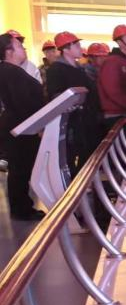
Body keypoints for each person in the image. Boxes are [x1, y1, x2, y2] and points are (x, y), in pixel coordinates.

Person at [0, 32, 46, 219]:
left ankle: (22, 206)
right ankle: (21, 209)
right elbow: (22, 103)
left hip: (23, 125)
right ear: (8, 51)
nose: (23, 49)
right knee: (20, 168)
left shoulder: (13, 71)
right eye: (19, 46)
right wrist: (39, 124)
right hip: (22, 127)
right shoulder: (10, 72)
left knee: (22, 167)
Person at [45, 31, 103, 171]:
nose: (80, 48)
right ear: (65, 49)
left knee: (88, 154)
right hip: (71, 122)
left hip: (86, 120)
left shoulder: (79, 68)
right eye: (76, 45)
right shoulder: (56, 69)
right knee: (70, 156)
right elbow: (56, 95)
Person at [99, 24, 126, 154]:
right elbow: (113, 90)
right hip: (116, 115)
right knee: (122, 153)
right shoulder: (111, 62)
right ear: (119, 42)